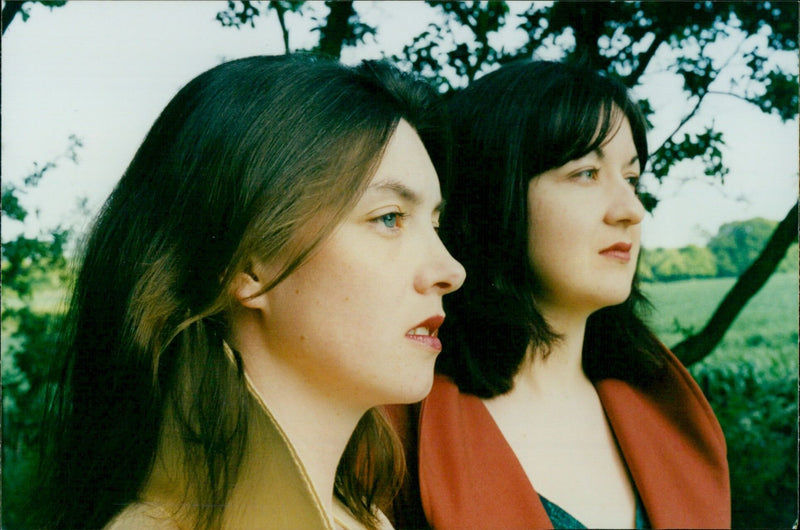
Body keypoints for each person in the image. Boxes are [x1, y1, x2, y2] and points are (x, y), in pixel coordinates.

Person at [32, 54, 465, 530]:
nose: (450, 270)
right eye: (389, 218)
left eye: (436, 223)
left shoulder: (364, 520)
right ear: (246, 264)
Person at [388, 60, 730, 529]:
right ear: (495, 193)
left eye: (631, 179)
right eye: (586, 173)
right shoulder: (393, 431)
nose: (631, 210)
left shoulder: (675, 418)